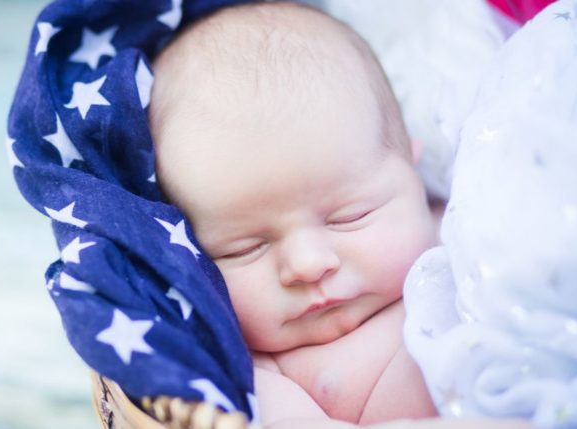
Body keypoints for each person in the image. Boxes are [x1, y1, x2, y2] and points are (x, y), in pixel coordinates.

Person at [148, 1, 448, 426]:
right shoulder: (259, 374)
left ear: (415, 173)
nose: (308, 265)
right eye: (244, 248)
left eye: (349, 216)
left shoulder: (462, 237)